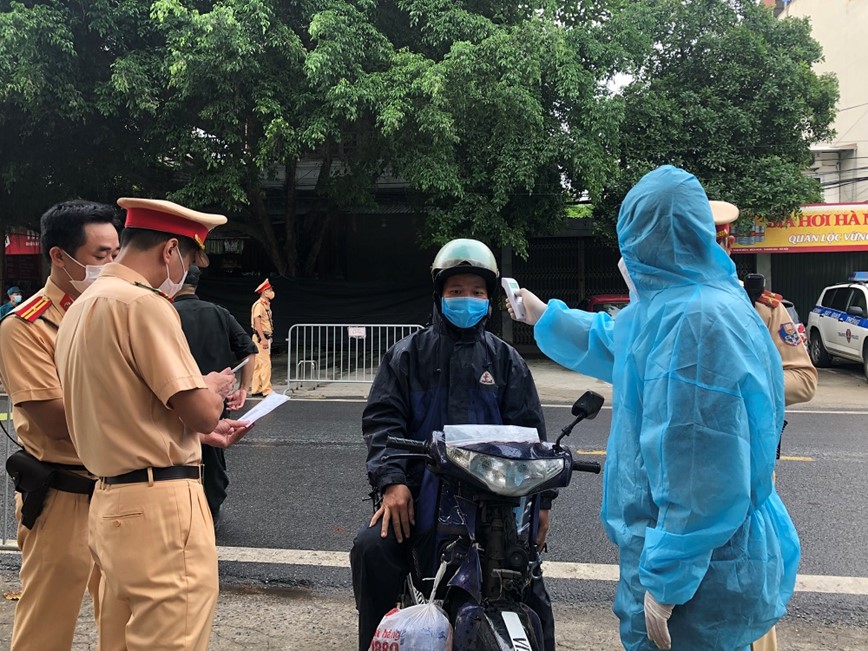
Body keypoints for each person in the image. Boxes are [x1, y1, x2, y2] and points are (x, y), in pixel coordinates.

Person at [509, 166, 800, 651]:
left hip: (699, 576)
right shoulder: (680, 306)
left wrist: (667, 582)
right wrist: (545, 315)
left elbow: (699, 473)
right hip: (704, 562)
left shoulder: (696, 323)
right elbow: (615, 340)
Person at [55, 197, 251, 651]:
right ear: (169, 251)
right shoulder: (145, 305)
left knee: (120, 640)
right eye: (188, 257)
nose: (184, 270)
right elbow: (201, 409)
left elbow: (122, 406)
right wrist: (213, 388)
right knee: (173, 638)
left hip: (108, 501)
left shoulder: (82, 305)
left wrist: (202, 432)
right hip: (160, 504)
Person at [350, 238, 557, 651]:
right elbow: (381, 423)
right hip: (418, 494)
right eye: (456, 291)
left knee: (531, 590)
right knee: (371, 551)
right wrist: (393, 483)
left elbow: (532, 434)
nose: (467, 300)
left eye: (477, 293)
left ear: (489, 299)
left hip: (493, 501)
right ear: (439, 295)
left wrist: (543, 503)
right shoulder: (406, 356)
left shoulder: (505, 361)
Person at [0, 200, 119, 650]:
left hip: (117, 490)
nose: (111, 265)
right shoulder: (25, 327)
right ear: (59, 256)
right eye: (100, 255)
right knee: (46, 625)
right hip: (62, 495)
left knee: (124, 616)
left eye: (115, 254)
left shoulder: (115, 313)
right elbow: (54, 420)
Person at [712, 202, 817, 651]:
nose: (710, 251)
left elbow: (804, 379)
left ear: (730, 244)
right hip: (687, 460)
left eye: (718, 242)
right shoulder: (669, 305)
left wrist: (746, 384)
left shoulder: (764, 308)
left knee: (748, 572)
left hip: (749, 462)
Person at [174, 264, 258, 523]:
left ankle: (185, 510)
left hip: (176, 399)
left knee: (176, 449)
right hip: (214, 400)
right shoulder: (219, 313)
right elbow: (249, 349)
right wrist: (244, 388)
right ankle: (212, 508)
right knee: (213, 453)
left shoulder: (165, 314)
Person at [250, 278, 275, 396]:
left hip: (263, 337)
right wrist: (264, 338)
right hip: (261, 338)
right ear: (264, 292)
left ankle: (256, 388)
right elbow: (257, 323)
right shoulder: (259, 305)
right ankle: (266, 389)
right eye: (270, 290)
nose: (272, 292)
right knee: (265, 363)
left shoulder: (265, 305)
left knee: (259, 364)